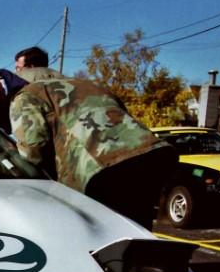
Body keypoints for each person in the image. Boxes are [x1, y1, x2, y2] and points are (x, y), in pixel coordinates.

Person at [9, 65, 178, 229]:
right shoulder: (89, 85)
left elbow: (32, 151)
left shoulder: (27, 94)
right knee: (135, 231)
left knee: (100, 236)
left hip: (102, 169)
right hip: (151, 153)